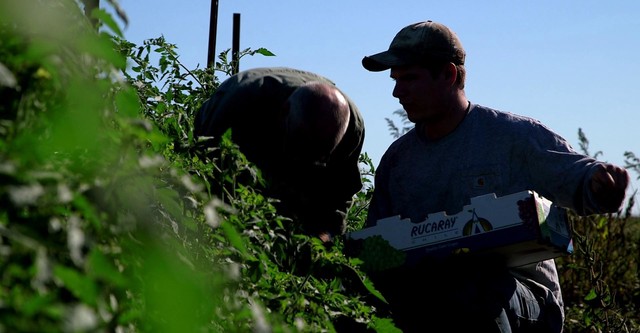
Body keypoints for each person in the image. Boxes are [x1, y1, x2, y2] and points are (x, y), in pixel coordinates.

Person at [360, 20, 629, 332]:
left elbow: (578, 177)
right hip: (432, 297)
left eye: (409, 78)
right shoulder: (398, 160)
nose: (396, 92)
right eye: (395, 80)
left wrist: (601, 185)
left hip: (523, 301)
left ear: (447, 75)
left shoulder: (513, 137)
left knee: (469, 280)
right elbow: (375, 249)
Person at [194, 67, 365, 244]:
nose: (303, 161)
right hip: (237, 115)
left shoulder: (352, 130)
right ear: (284, 114)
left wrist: (326, 235)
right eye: (301, 147)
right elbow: (211, 173)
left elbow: (341, 192)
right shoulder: (239, 107)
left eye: (318, 156)